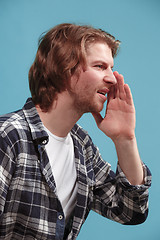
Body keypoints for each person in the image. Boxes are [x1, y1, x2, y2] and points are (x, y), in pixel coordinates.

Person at [0, 23, 151, 240]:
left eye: (111, 67)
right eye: (100, 66)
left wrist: (125, 139)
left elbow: (131, 211)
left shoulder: (82, 146)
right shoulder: (9, 136)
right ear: (64, 70)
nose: (112, 78)